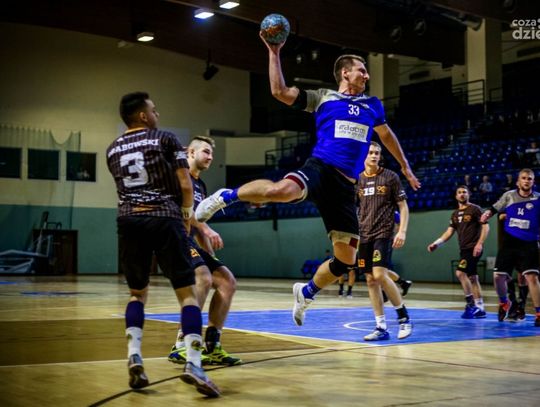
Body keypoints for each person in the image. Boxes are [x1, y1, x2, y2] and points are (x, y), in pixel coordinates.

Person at [195, 34, 420, 328]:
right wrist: (274, 52)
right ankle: (226, 196)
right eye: (362, 70)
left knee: (346, 260)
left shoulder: (373, 105)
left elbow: (387, 136)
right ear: (345, 73)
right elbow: (279, 91)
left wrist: (405, 166)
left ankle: (306, 292)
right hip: (321, 168)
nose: (367, 75)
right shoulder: (323, 97)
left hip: (345, 186)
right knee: (281, 191)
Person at [106, 92, 219, 396]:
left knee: (136, 294)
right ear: (142, 115)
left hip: (129, 220)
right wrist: (186, 216)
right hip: (165, 218)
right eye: (153, 110)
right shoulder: (165, 139)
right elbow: (185, 185)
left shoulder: (112, 148)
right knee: (188, 296)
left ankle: (134, 356)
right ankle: (194, 363)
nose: (157, 114)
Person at [168, 136, 241, 366]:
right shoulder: (180, 177)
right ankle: (181, 343)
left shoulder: (201, 185)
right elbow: (186, 214)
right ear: (191, 153)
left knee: (227, 281)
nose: (210, 157)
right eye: (206, 152)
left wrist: (211, 256)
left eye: (211, 153)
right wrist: (206, 228)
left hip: (190, 242)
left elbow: (199, 227)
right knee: (203, 278)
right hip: (174, 239)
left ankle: (212, 344)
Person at [357, 141, 413, 341]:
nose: (374, 156)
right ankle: (381, 327)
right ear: (363, 155)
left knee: (379, 274)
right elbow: (355, 209)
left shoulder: (390, 177)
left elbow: (403, 206)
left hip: (383, 233)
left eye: (377, 153)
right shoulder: (358, 180)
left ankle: (404, 319)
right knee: (370, 279)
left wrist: (402, 231)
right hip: (364, 235)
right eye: (370, 152)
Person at [480, 168, 540, 327]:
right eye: (524, 178)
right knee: (498, 276)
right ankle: (504, 302)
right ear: (518, 181)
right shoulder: (509, 195)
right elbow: (494, 208)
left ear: (533, 182)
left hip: (529, 243)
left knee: (531, 277)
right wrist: (487, 214)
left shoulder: (538, 199)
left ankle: (538, 313)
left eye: (530, 178)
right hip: (510, 242)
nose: (527, 181)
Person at [427, 185, 489, 319]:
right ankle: (480, 308)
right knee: (473, 278)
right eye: (459, 192)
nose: (462, 194)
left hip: (473, 248)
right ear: (456, 196)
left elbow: (485, 227)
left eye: (464, 192)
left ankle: (471, 304)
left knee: (460, 273)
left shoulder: (475, 209)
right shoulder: (454, 214)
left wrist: (479, 243)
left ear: (469, 194)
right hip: (464, 249)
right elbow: (449, 232)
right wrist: (436, 243)